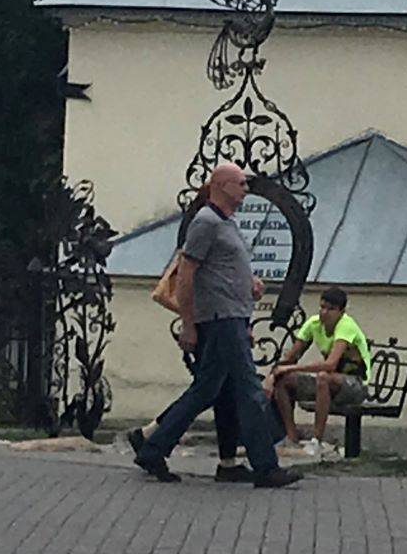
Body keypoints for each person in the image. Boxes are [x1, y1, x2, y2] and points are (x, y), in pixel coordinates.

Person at [131, 162, 298, 488]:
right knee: (249, 391)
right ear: (221, 186)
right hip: (220, 319)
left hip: (233, 316)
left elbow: (222, 268)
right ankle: (266, 467)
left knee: (207, 390)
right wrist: (188, 324)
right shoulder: (205, 222)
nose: (246, 189)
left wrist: (249, 283)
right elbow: (187, 274)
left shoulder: (227, 223)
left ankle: (153, 448)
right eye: (241, 184)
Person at [265, 288, 370, 458]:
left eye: (331, 309)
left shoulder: (346, 326)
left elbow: (330, 364)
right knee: (284, 380)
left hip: (355, 385)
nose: (324, 313)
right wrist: (273, 376)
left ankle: (316, 441)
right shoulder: (313, 324)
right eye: (322, 307)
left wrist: (291, 368)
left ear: (341, 311)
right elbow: (290, 357)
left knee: (322, 377)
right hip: (330, 382)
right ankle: (291, 437)